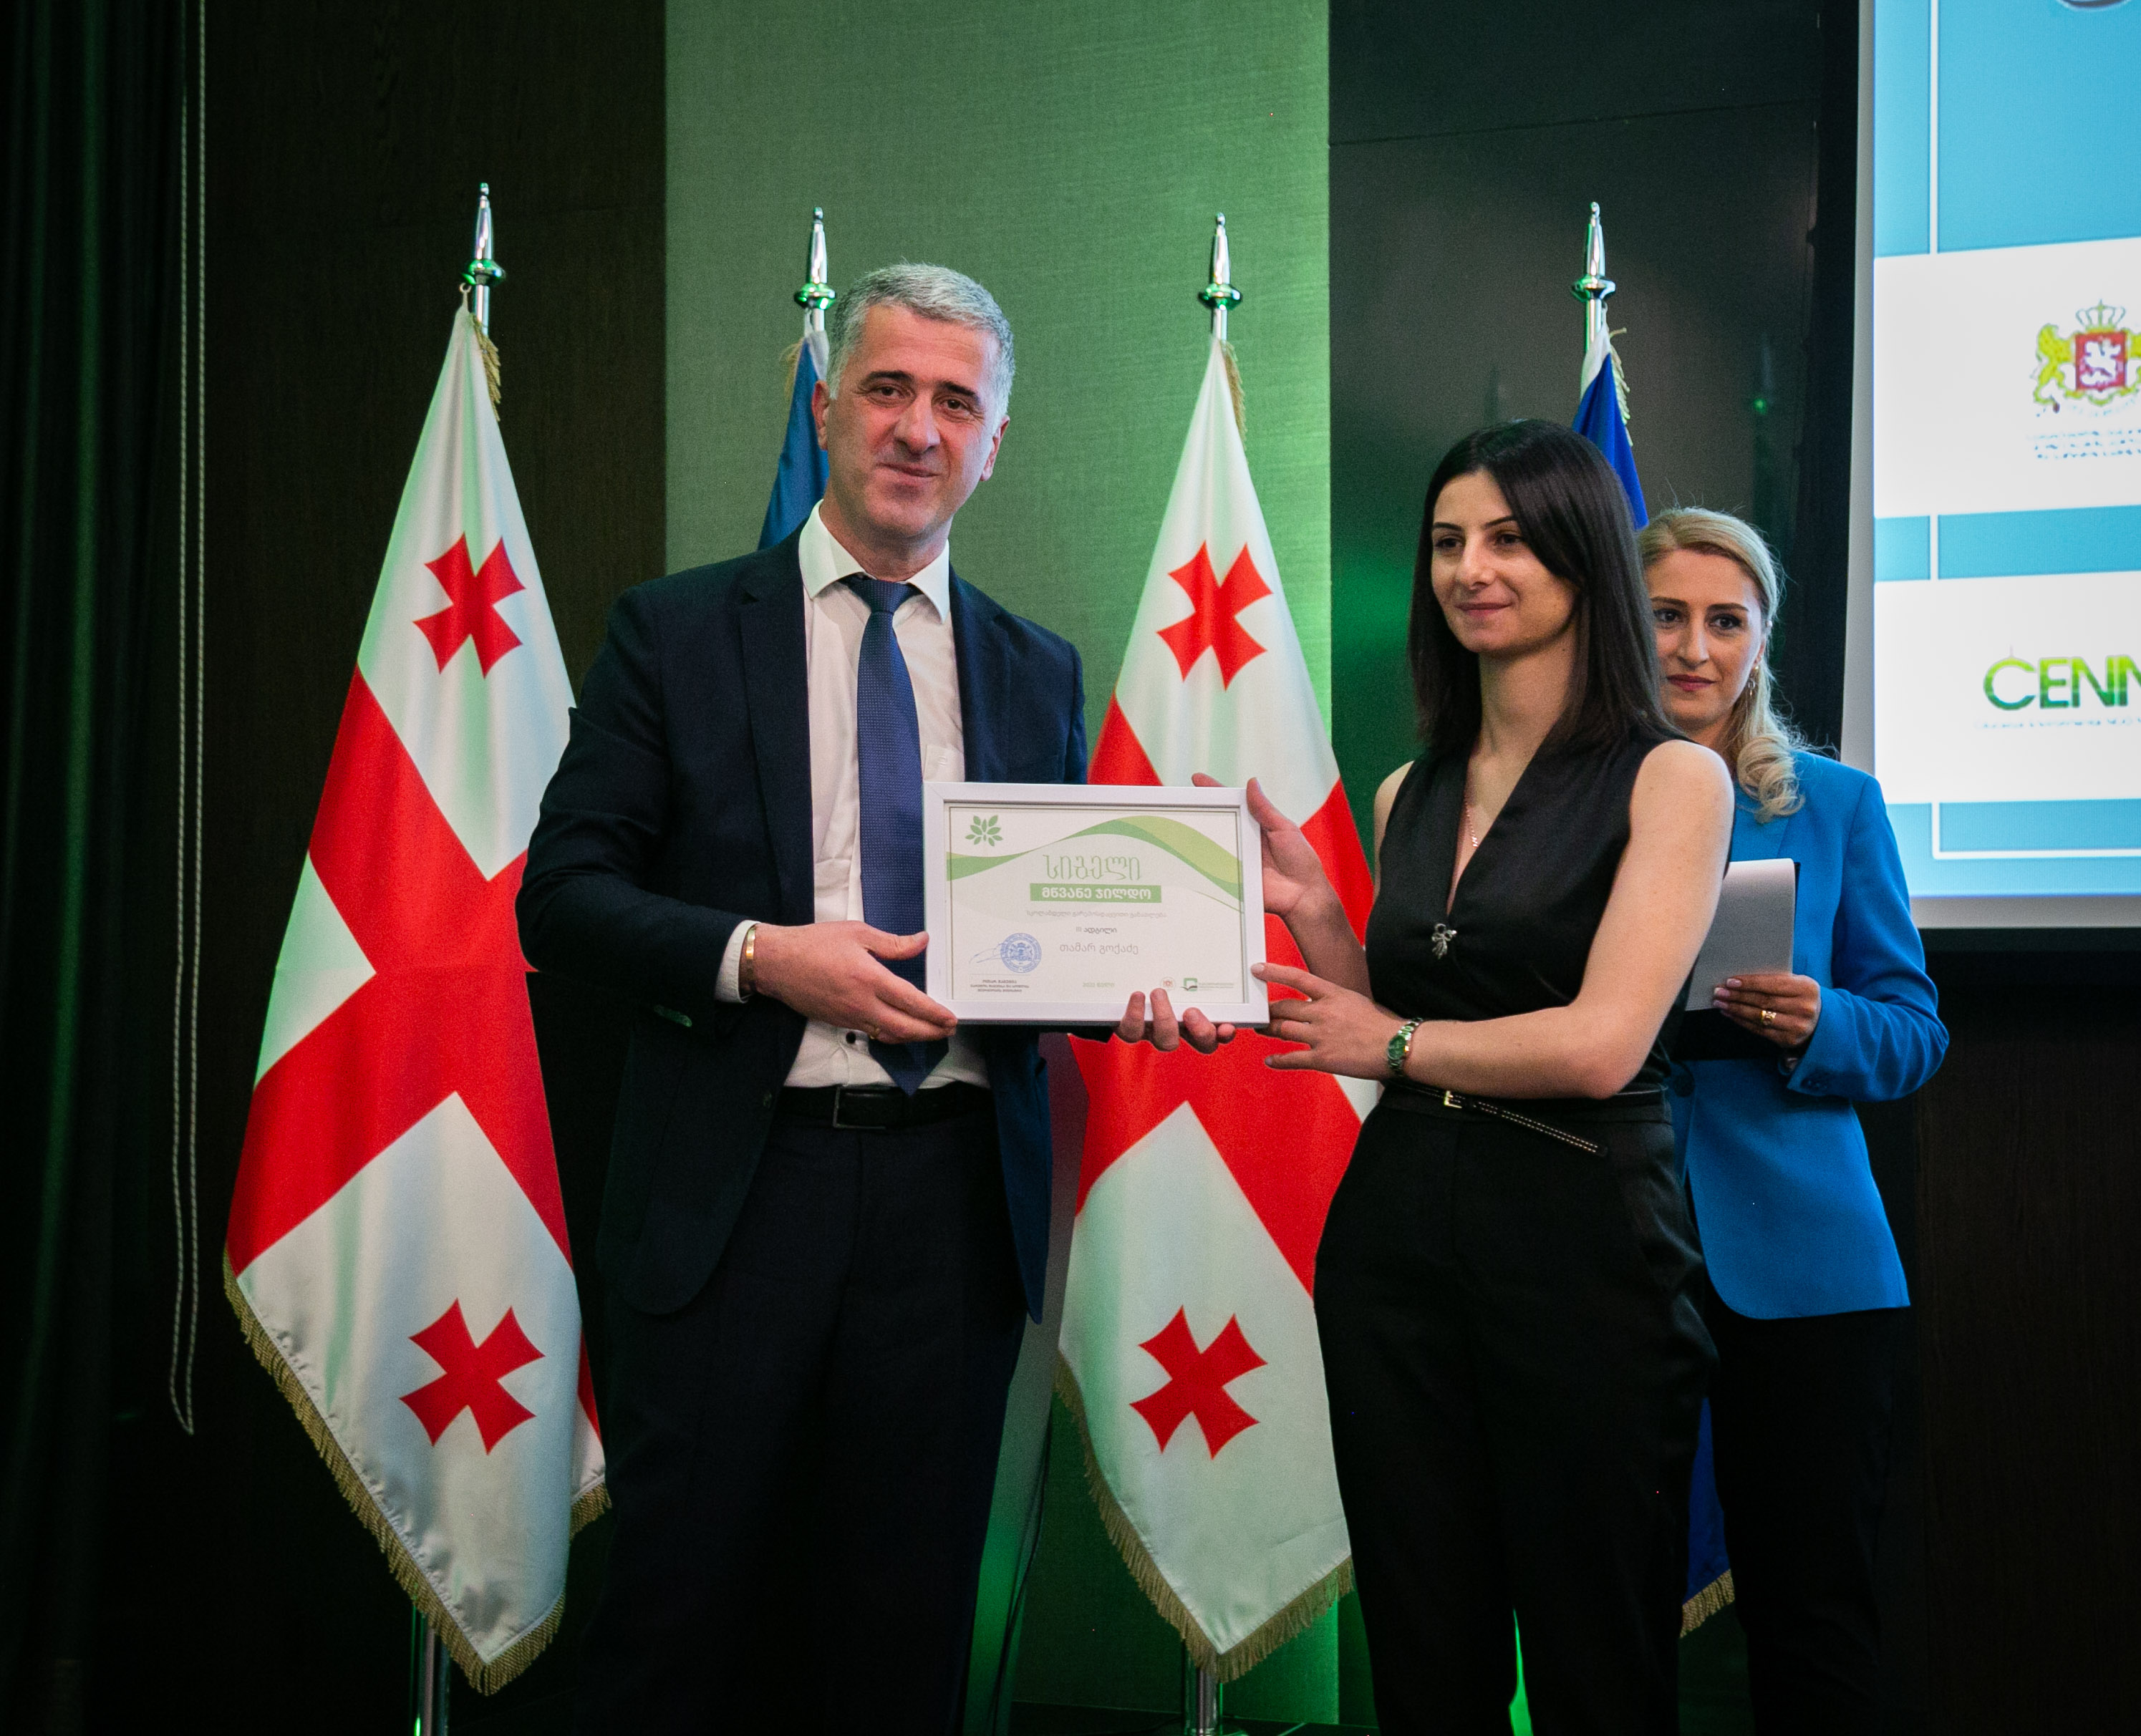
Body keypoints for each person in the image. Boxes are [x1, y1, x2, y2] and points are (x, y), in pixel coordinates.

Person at [519, 264, 1087, 1732]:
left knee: (899, 1649)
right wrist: (766, 957)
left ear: (994, 444)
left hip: (951, 1218)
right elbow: (562, 898)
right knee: (678, 1632)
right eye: (888, 389)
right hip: (736, 1199)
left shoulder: (1037, 669)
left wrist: (1140, 986)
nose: (917, 428)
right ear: (828, 408)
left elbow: (1048, 942)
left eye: (954, 402)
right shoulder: (675, 631)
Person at [1130, 420, 1734, 1731]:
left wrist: (1390, 1043)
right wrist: (1314, 915)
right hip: (1393, 1244)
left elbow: (1599, 1043)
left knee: (1595, 1655)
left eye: (1509, 539)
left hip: (1582, 1248)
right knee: (1422, 1648)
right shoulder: (1407, 790)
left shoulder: (1673, 776)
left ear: (1581, 556)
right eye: (1448, 542)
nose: (1471, 568)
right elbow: (1394, 1017)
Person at [1640, 507, 1946, 1734]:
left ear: (1761, 640)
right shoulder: (1559, 800)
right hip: (1606, 1247)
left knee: (1813, 1618)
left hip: (1807, 1270)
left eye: (1726, 620)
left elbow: (1912, 1030)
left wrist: (1820, 1021)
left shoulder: (1834, 803)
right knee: (1595, 1611)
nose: (1693, 646)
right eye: (1665, 615)